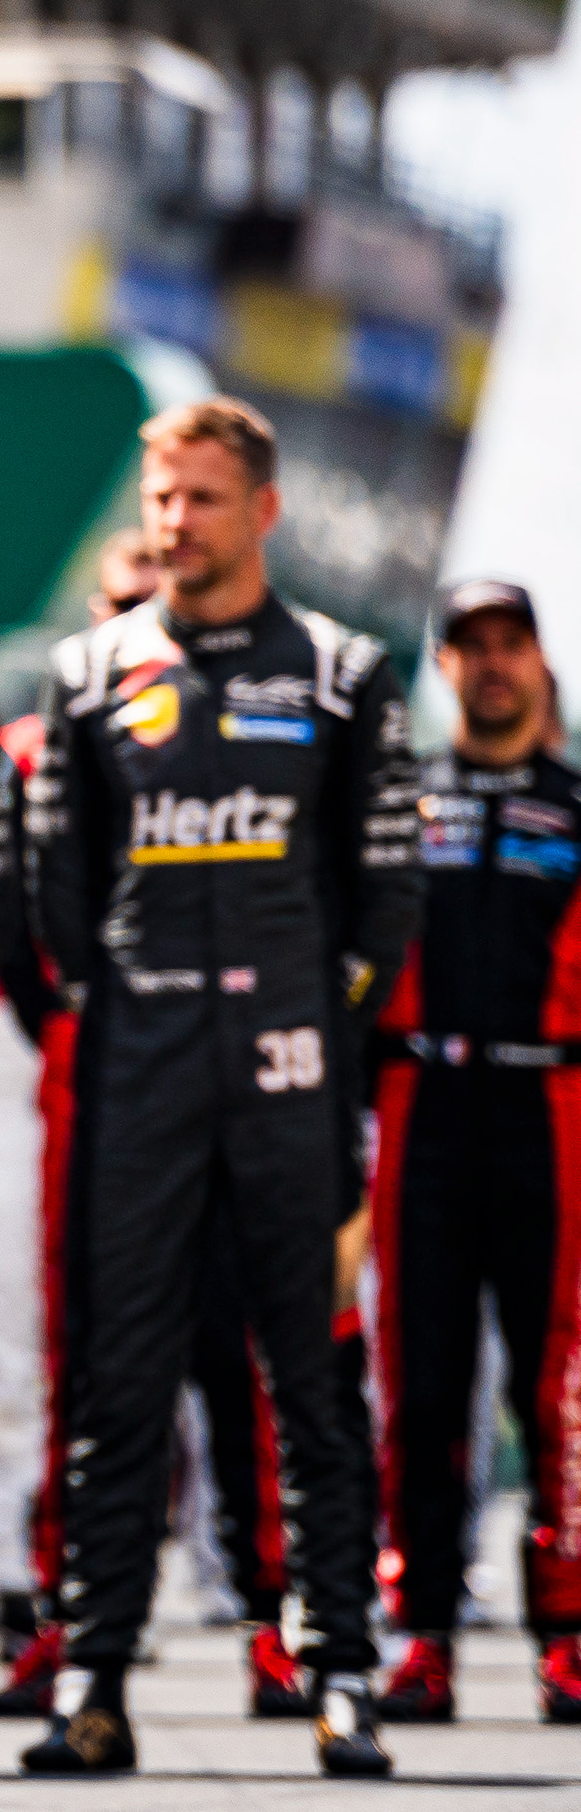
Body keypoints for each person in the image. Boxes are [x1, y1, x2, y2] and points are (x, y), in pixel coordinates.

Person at [17, 396, 408, 1782]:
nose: (176, 521)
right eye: (161, 497)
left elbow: (383, 901)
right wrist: (140, 1005)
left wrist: (308, 1013)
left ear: (265, 509)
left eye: (203, 497)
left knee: (313, 1375)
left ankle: (344, 1666)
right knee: (117, 1379)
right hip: (143, 1071)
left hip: (294, 1074)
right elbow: (60, 898)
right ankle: (94, 1678)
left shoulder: (347, 673)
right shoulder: (88, 671)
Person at [370, 579, 581, 1728]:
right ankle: (424, 1633)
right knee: (423, 1382)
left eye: (512, 644)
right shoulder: (400, 800)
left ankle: (568, 1633)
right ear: (444, 664)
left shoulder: (576, 800)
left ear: (540, 661)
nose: (493, 664)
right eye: (472, 646)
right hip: (424, 1103)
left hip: (552, 1103)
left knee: (558, 1385)